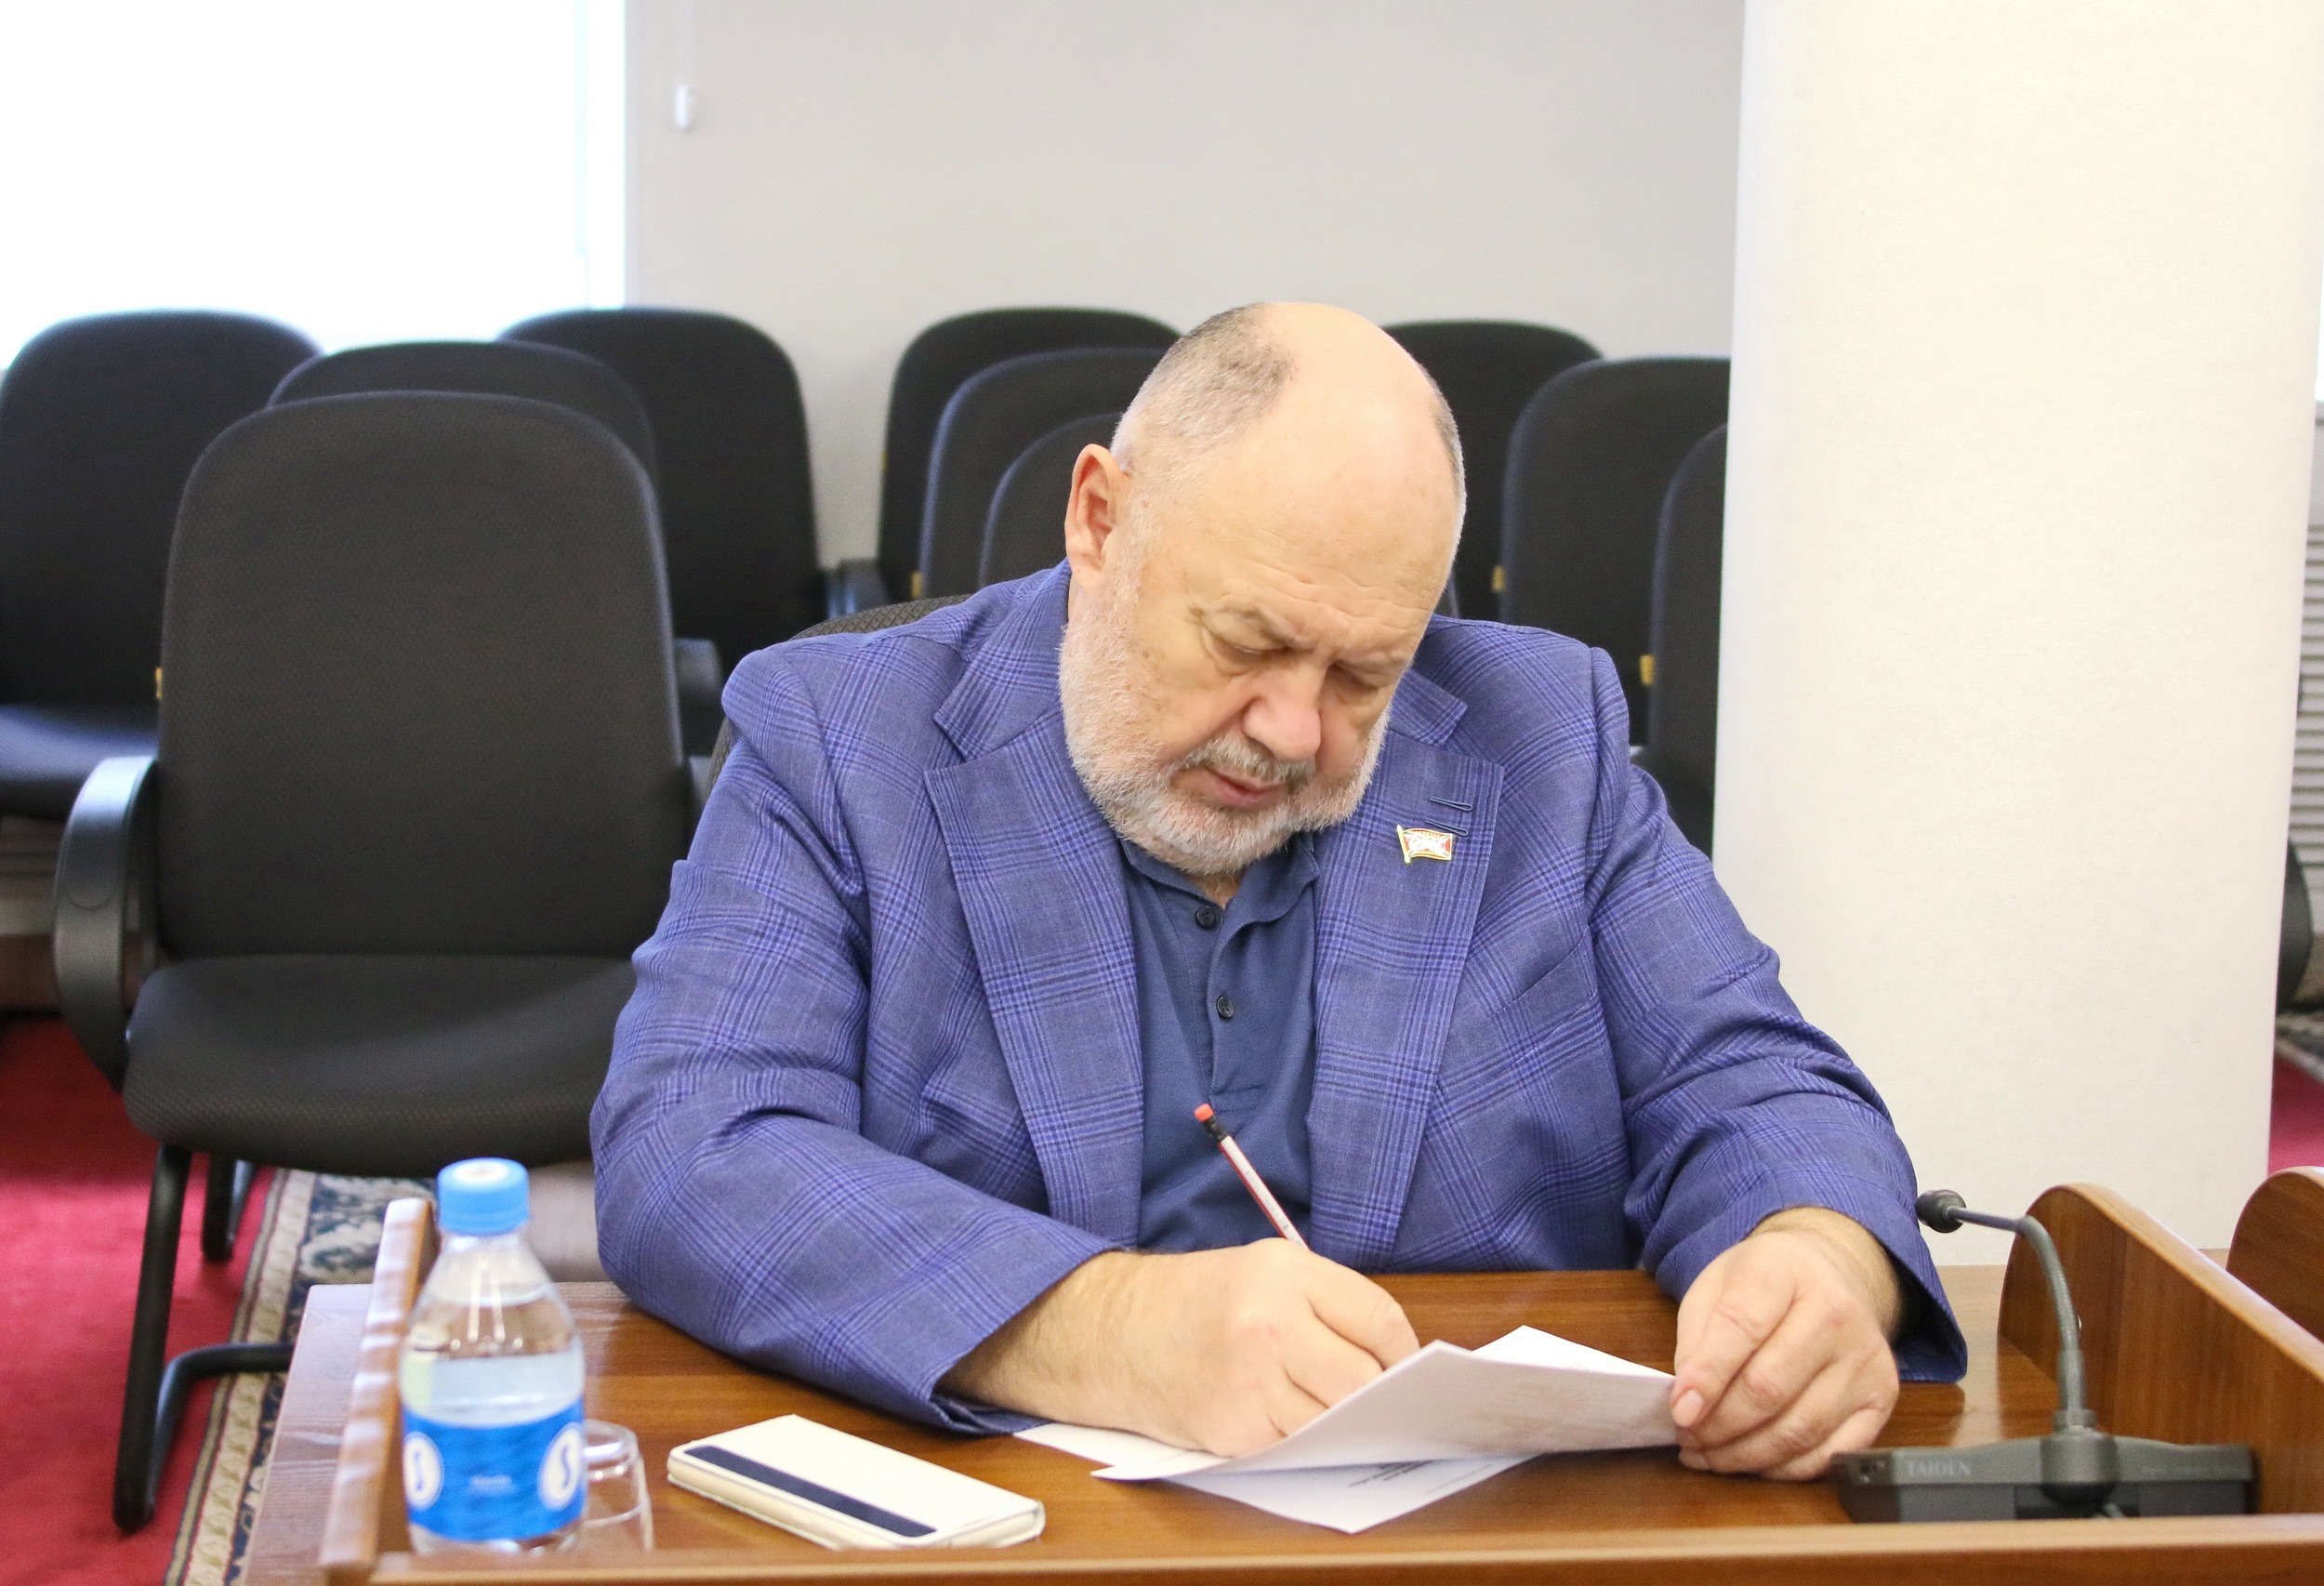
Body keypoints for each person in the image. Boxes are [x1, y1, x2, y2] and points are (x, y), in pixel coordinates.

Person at [593, 303, 1964, 1482]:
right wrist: (1106, 1327)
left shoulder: (1542, 736)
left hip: (1481, 1517)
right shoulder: (844, 736)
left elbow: (1752, 1080)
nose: (1295, 731)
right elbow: (691, 1147)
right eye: (1247, 641)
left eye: (1366, 673)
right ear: (1099, 519)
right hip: (1021, 1512)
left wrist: (1819, 1253)